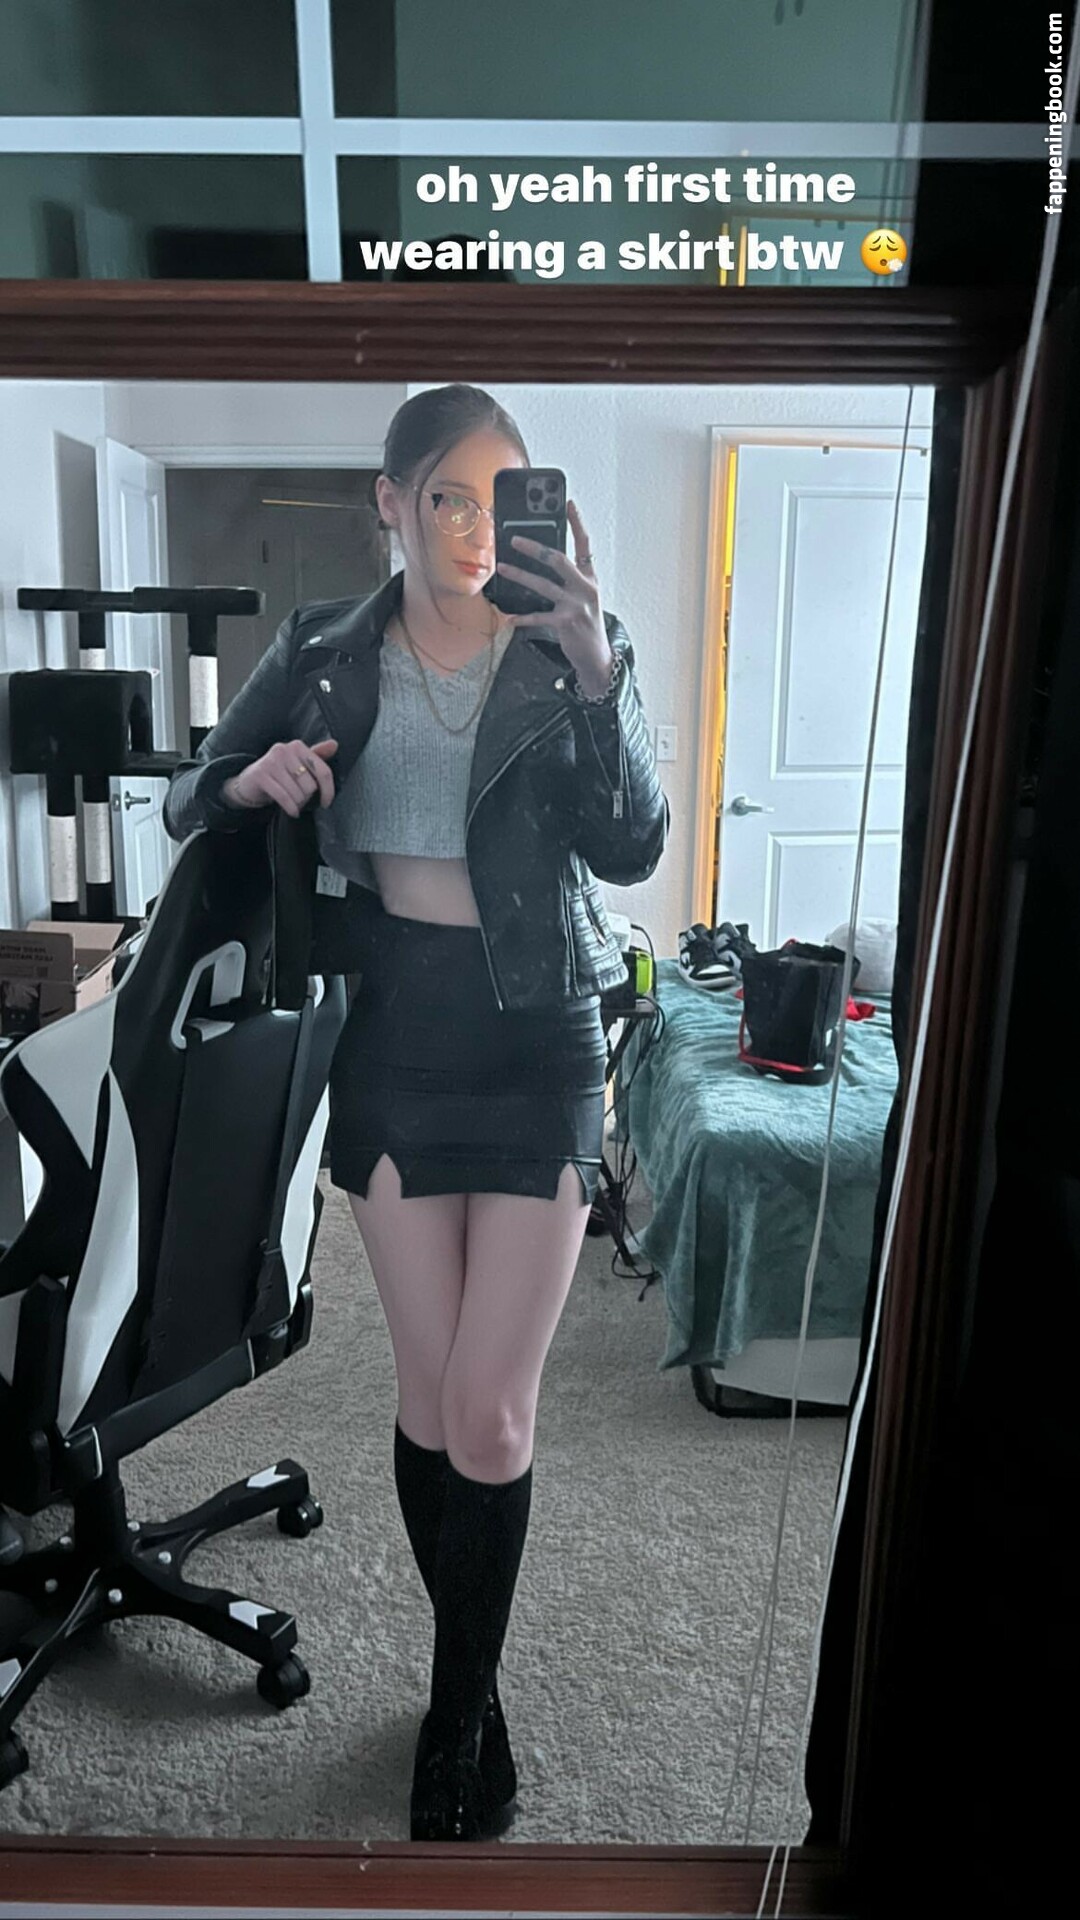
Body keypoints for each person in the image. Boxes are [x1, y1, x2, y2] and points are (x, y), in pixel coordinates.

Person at [162, 383, 669, 1843]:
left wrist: (597, 671)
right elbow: (193, 798)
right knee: (433, 1395)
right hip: (388, 1036)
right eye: (445, 495)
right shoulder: (322, 650)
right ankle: (476, 1685)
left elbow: (634, 846)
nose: (471, 528)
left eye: (498, 497)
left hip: (539, 1035)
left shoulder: (573, 646)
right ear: (389, 502)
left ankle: (456, 1717)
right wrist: (249, 777)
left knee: (494, 1409)